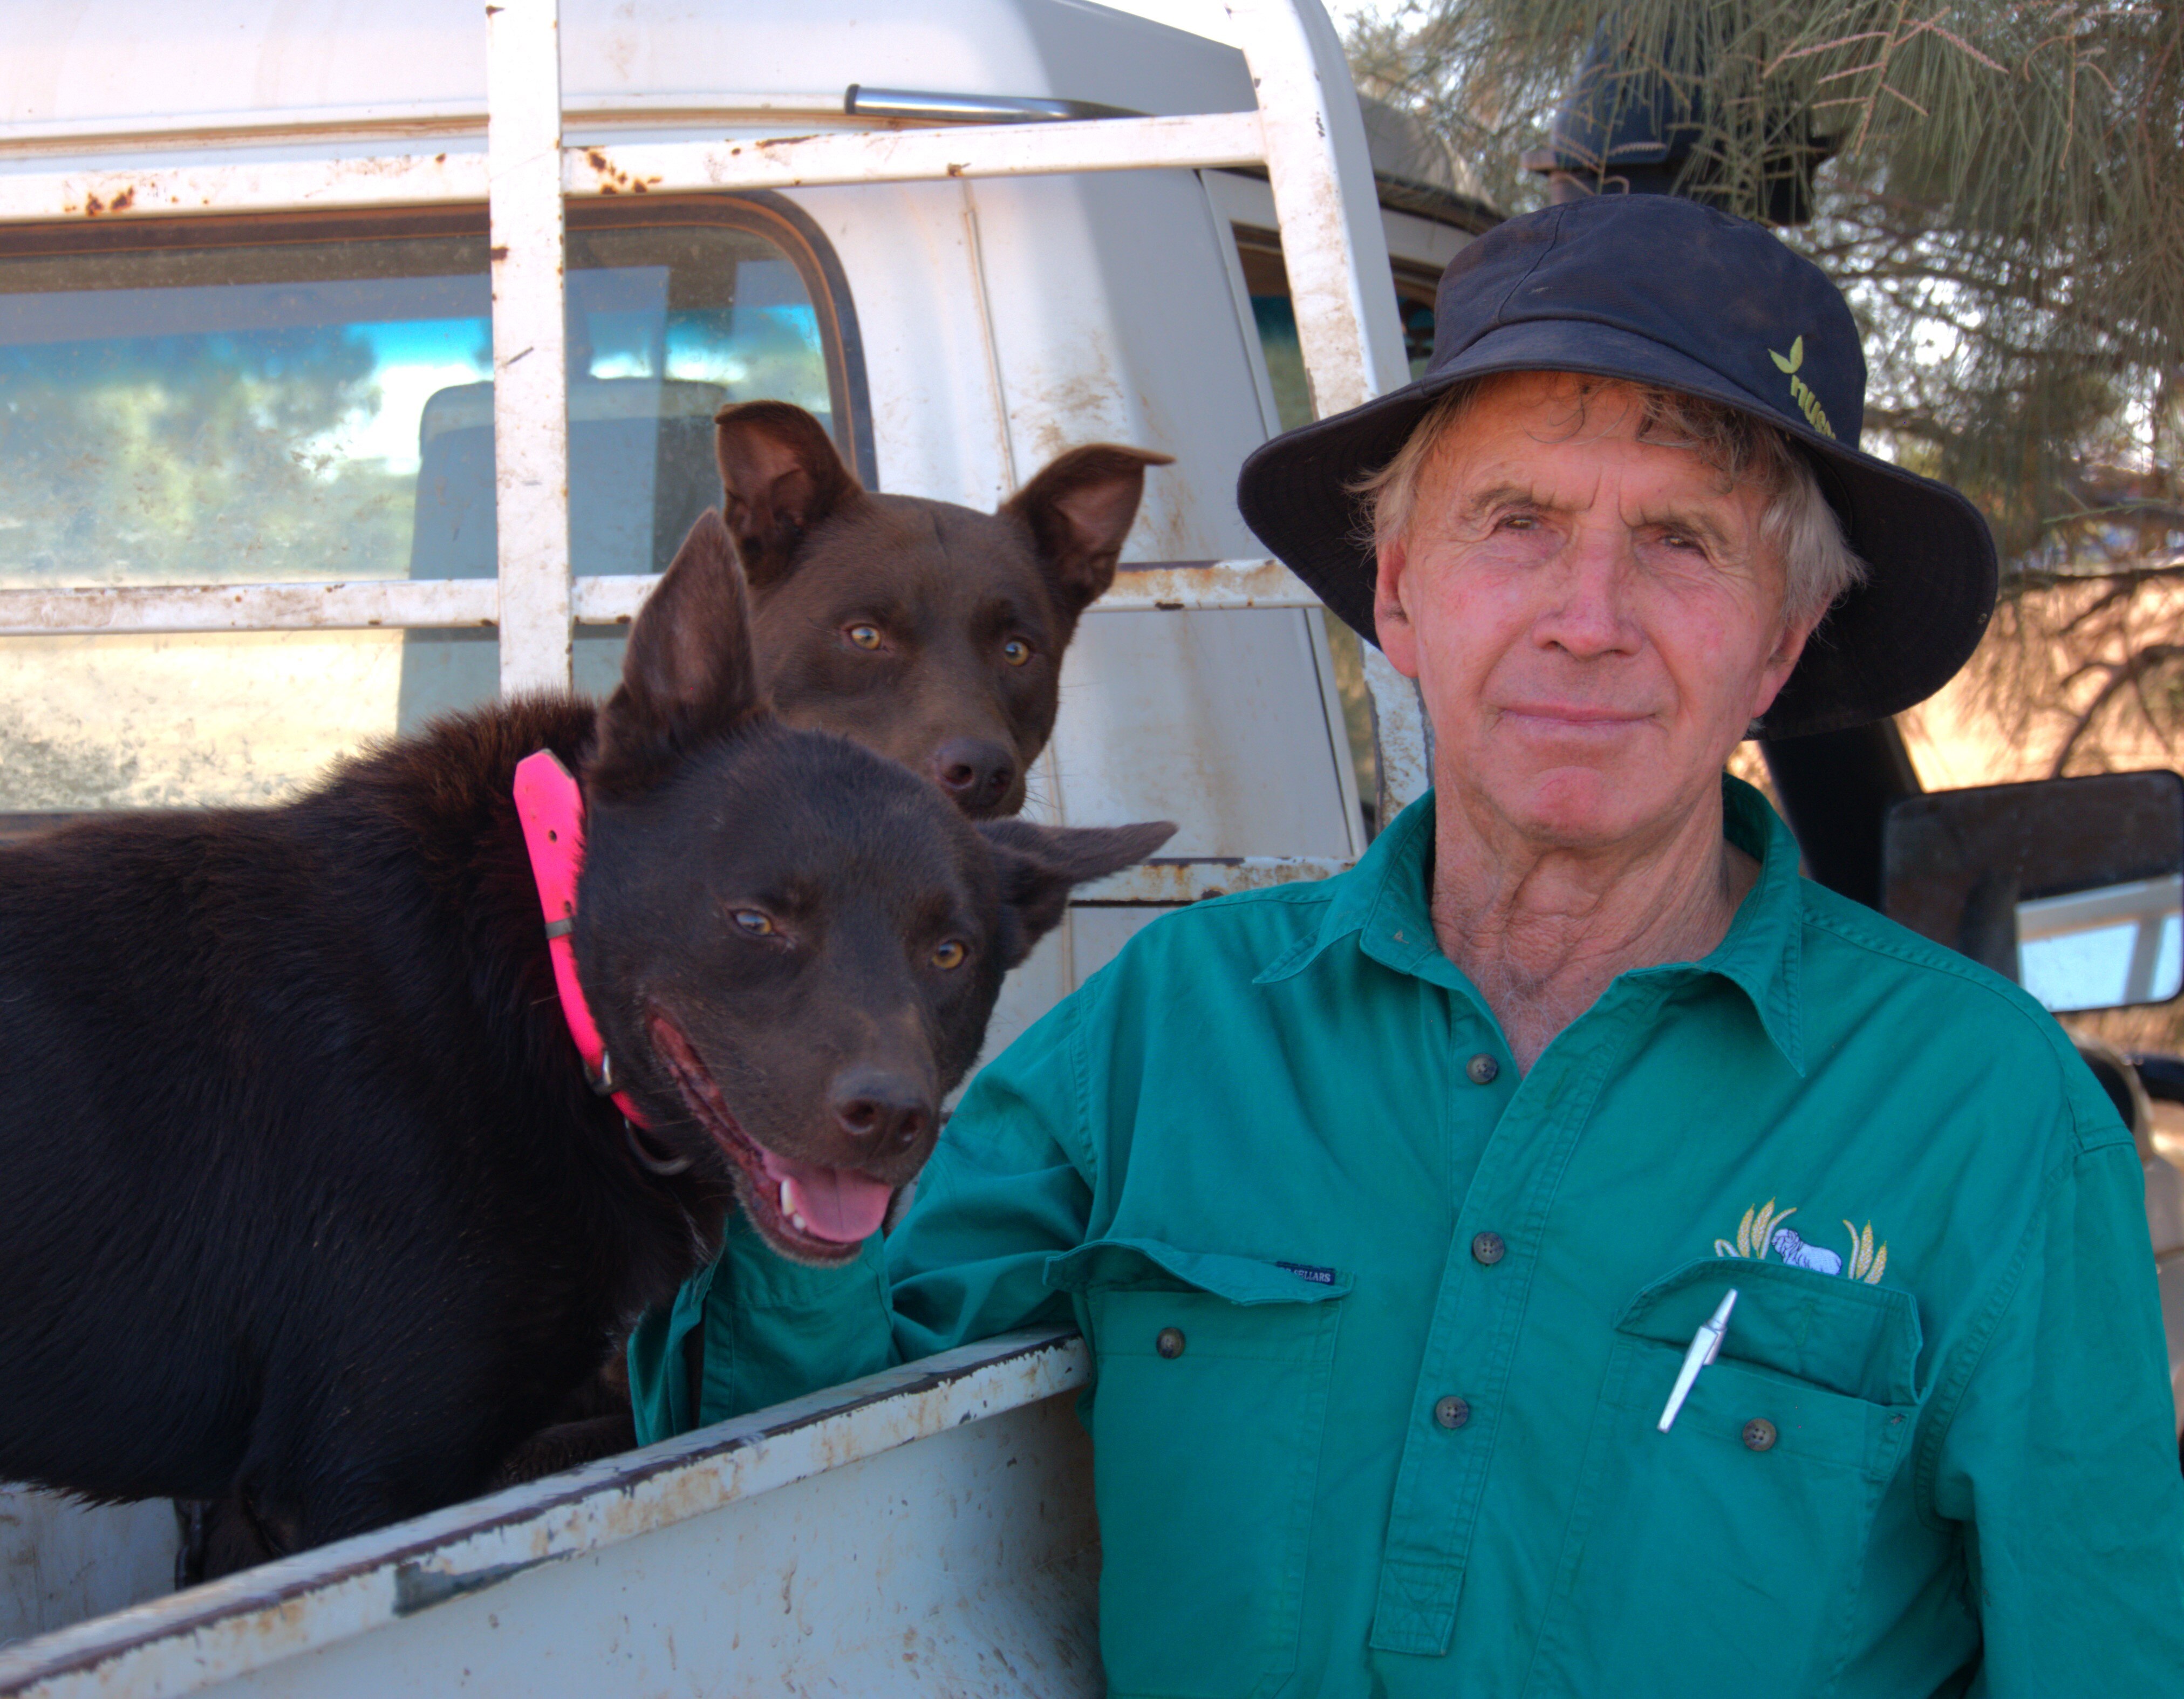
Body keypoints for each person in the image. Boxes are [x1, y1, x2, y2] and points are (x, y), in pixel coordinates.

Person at [629, 194, 2184, 1695]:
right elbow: (797, 1431)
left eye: (1684, 544)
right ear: (1401, 596)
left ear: (1779, 642)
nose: (1588, 616)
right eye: (1516, 523)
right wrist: (762, 1115)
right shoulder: (1174, 1030)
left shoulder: (1991, 1121)